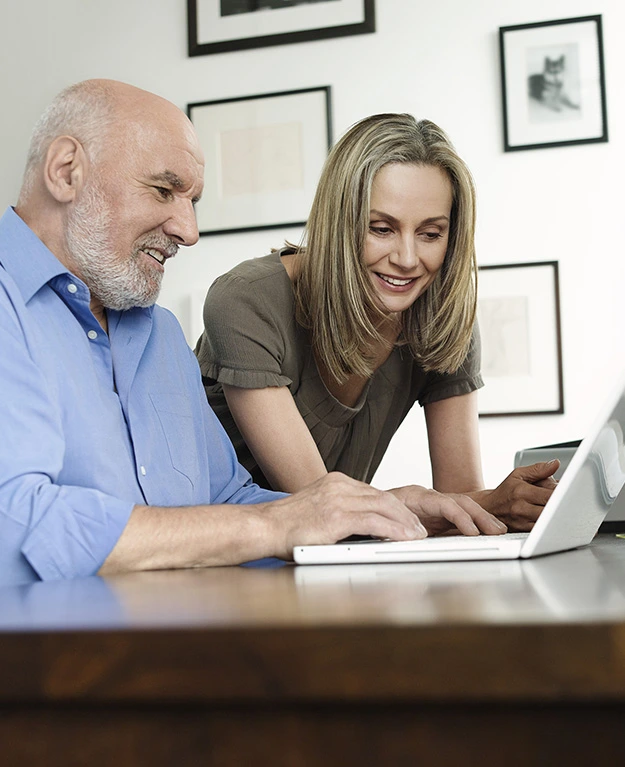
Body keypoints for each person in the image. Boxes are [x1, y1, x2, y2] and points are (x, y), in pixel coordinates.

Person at [0, 83, 507, 587]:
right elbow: (15, 521)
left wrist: (381, 507)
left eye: (193, 200)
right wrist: (273, 524)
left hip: (194, 642)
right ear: (66, 171)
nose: (189, 230)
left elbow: (232, 500)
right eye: (163, 190)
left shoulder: (159, 337)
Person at [196, 113, 558, 528]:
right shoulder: (246, 300)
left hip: (332, 563)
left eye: (430, 233)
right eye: (381, 228)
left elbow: (462, 505)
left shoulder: (441, 320)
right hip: (216, 559)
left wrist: (502, 502)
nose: (407, 259)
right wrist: (414, 500)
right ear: (339, 223)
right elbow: (314, 505)